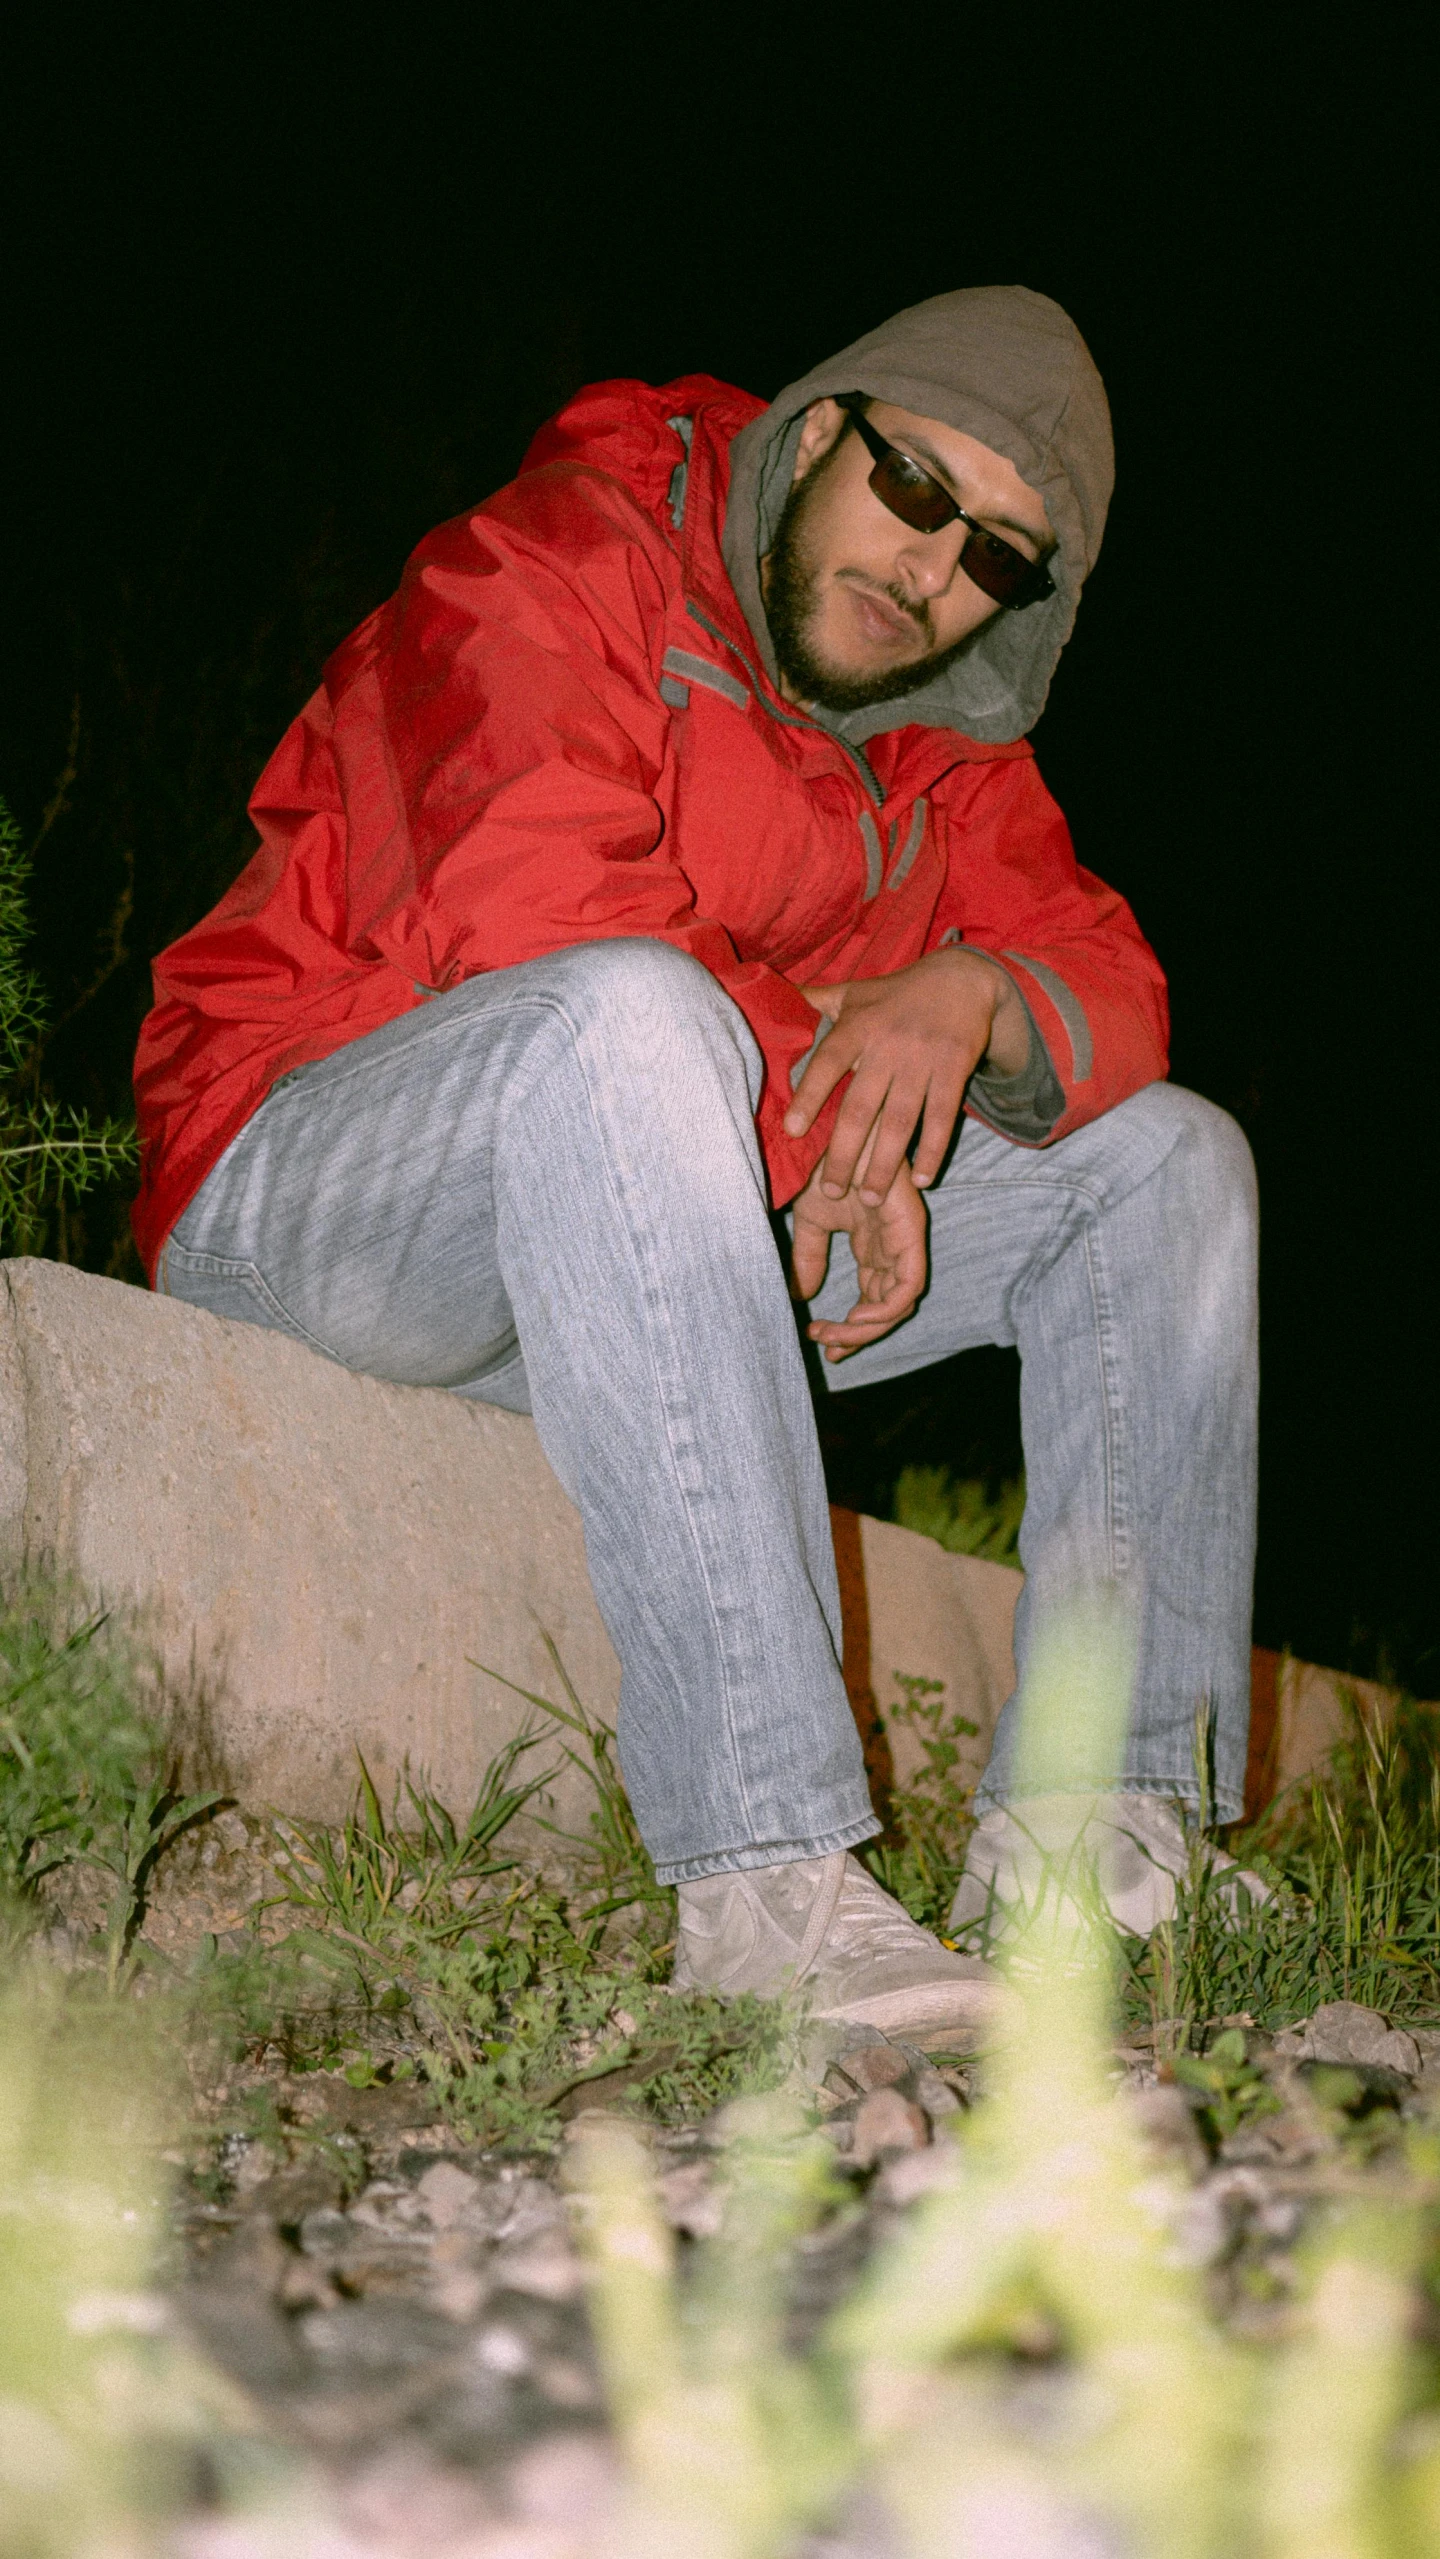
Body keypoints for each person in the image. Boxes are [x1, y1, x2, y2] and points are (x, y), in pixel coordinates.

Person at [131, 287, 1259, 2041]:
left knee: (1171, 1168)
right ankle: (768, 1876)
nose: (932, 569)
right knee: (633, 1017)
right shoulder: (556, 558)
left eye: (998, 561)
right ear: (821, 432)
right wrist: (837, 1106)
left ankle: (1096, 1835)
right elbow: (536, 904)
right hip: (310, 1192)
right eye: (912, 487)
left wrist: (963, 995)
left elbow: (1114, 985)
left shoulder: (945, 747)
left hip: (637, 1256)